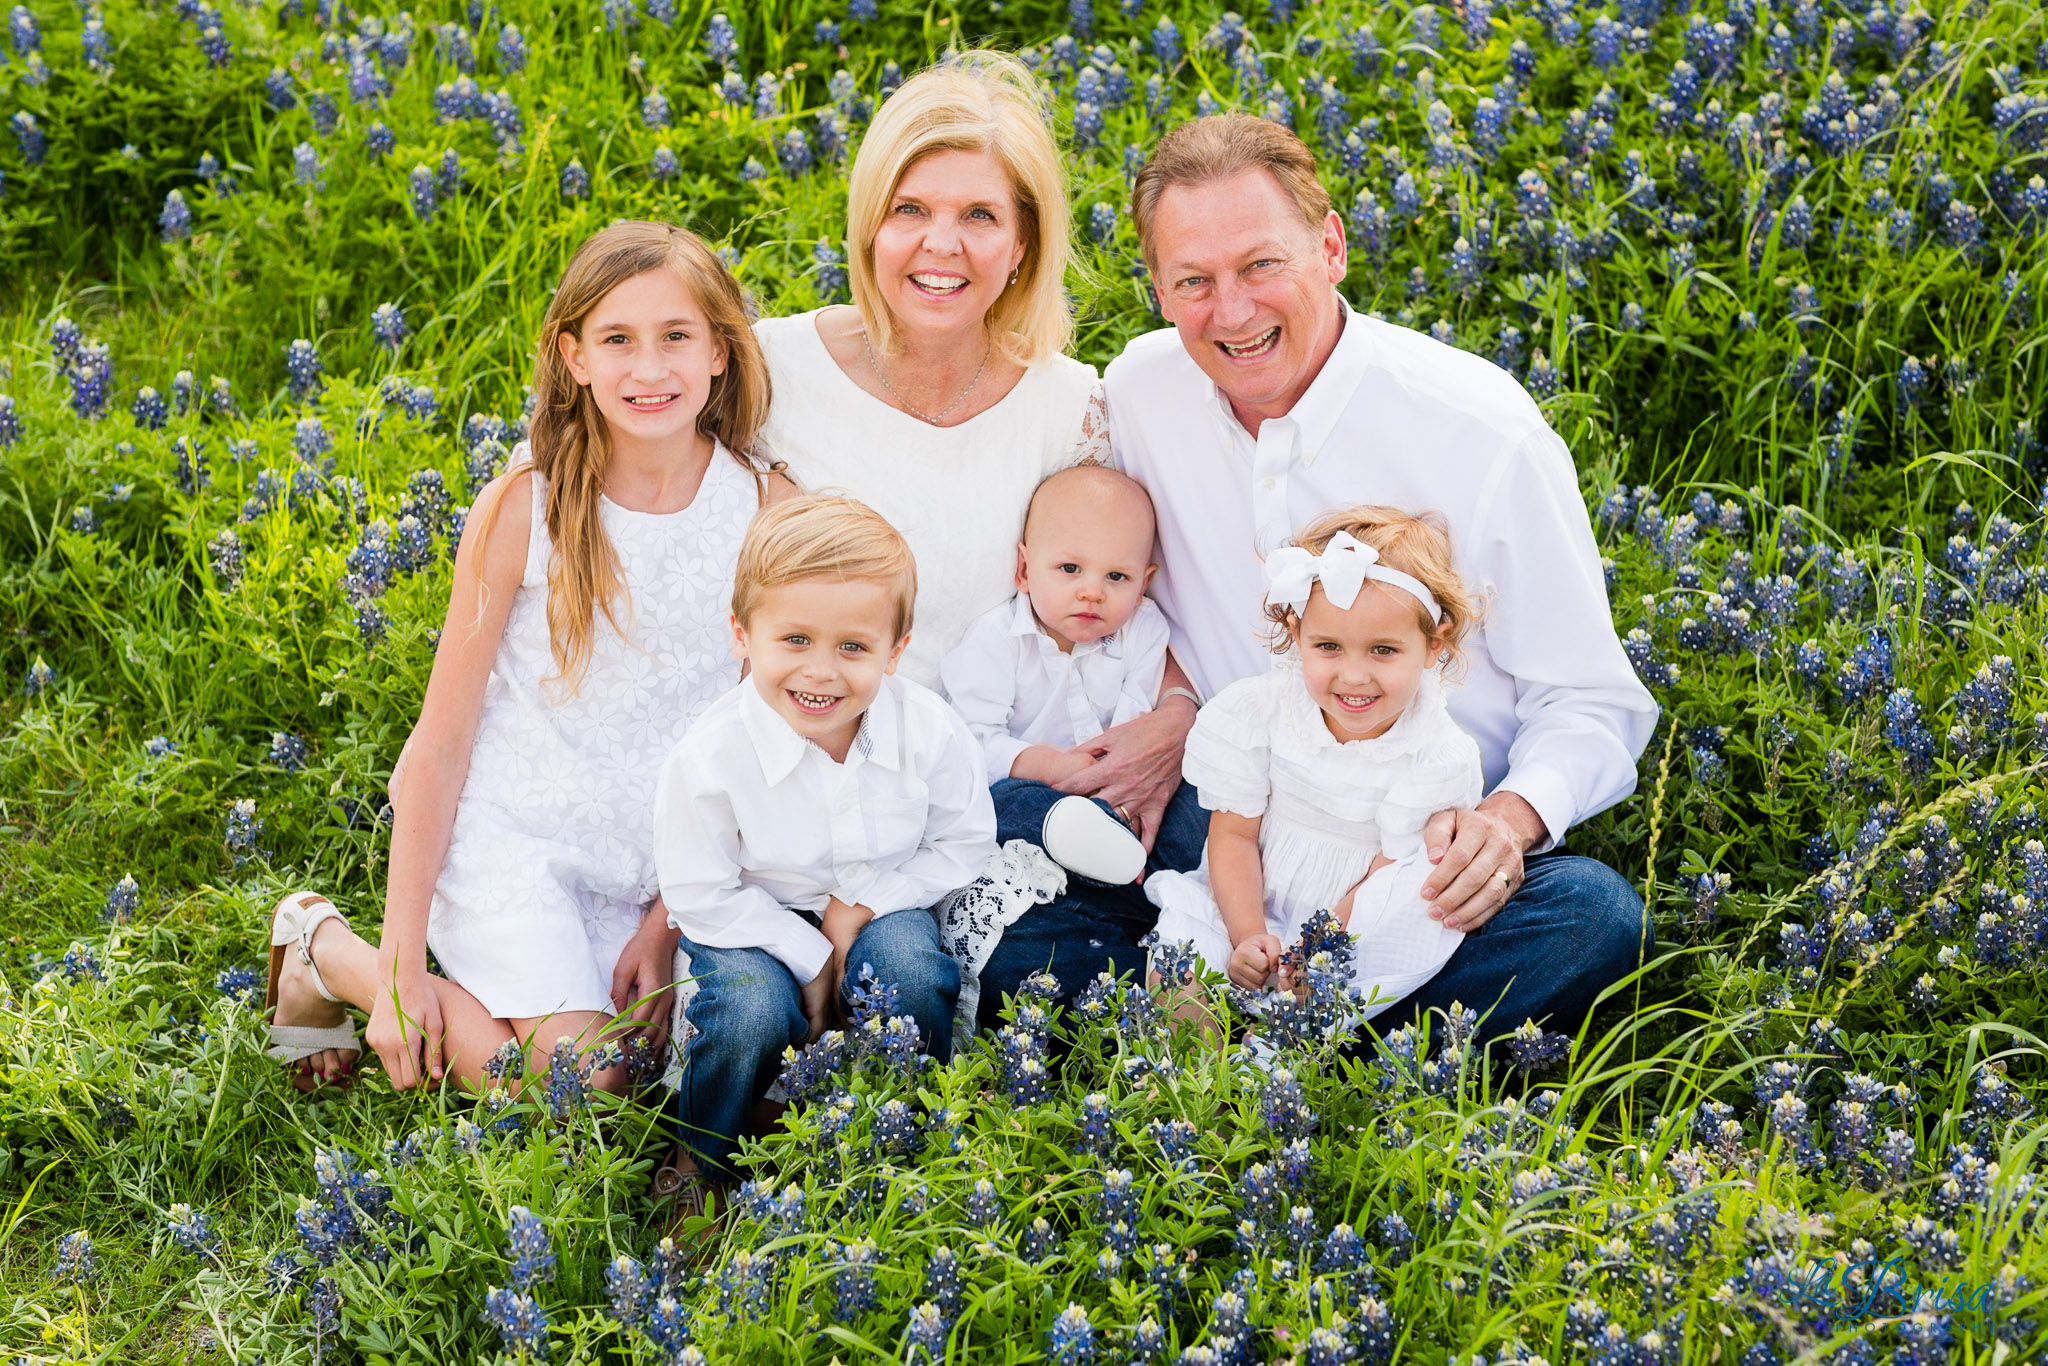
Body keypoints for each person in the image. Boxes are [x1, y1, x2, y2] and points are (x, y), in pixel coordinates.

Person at [1108, 114, 1661, 1040]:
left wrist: (1509, 820)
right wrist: (1170, 711)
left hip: (1417, 851)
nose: (1232, 312)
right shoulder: (1139, 394)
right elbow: (1119, 593)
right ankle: (1318, 1036)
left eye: (1261, 266)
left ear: (1331, 246)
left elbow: (1593, 702)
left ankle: (1252, 1051)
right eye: (1194, 282)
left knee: (1594, 917)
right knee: (1028, 831)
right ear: (1159, 291)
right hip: (1226, 816)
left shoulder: (1480, 429)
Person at [262, 221, 790, 1092]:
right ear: (573, 355)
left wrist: (664, 925)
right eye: (617, 340)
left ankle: (337, 964)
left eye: (676, 338)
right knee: (589, 1090)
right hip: (524, 833)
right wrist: (399, 967)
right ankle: (332, 954)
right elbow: (439, 742)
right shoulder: (524, 506)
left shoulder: (765, 509)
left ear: (722, 353)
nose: (649, 370)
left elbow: (754, 745)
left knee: (683, 1071)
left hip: (672, 860)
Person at [749, 52, 1197, 1014]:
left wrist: (1174, 718)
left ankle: (1225, 957)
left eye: (980, 216)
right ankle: (1159, 976)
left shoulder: (1074, 406)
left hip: (1009, 784)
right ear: (869, 220)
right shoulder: (772, 372)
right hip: (830, 781)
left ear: (1025, 243)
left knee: (1186, 834)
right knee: (1047, 976)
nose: (938, 245)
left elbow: (1136, 593)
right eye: (910, 209)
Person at [653, 495, 995, 1180]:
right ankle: (702, 1161)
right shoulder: (709, 757)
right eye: (795, 640)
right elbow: (699, 894)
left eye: (854, 647)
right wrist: (811, 955)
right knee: (749, 1011)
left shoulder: (930, 730)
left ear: (896, 652)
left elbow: (965, 843)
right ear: (741, 635)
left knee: (911, 972)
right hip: (751, 916)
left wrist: (865, 904)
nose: (821, 671)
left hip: (884, 899)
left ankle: (902, 1143)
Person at [1145, 506, 1482, 1013]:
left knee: (1364, 965)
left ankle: (1271, 1061)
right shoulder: (1264, 710)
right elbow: (1233, 835)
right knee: (1180, 964)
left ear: (1433, 646)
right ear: (1297, 633)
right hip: (1245, 894)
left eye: (1383, 650)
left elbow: (1381, 883)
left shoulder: (1435, 753)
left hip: (1352, 926)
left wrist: (1313, 953)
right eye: (1328, 646)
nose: (1353, 676)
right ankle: (1190, 1079)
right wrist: (1248, 935)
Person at [938, 464, 1209, 1022]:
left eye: (1118, 577)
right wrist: (1046, 765)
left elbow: (1154, 732)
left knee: (1200, 803)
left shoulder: (1144, 631)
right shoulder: (996, 641)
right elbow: (969, 742)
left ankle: (1151, 897)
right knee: (1009, 800)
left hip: (1128, 809)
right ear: (1023, 568)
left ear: (1146, 580)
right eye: (1069, 568)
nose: (1092, 591)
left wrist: (1122, 799)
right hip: (1038, 813)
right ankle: (1110, 885)